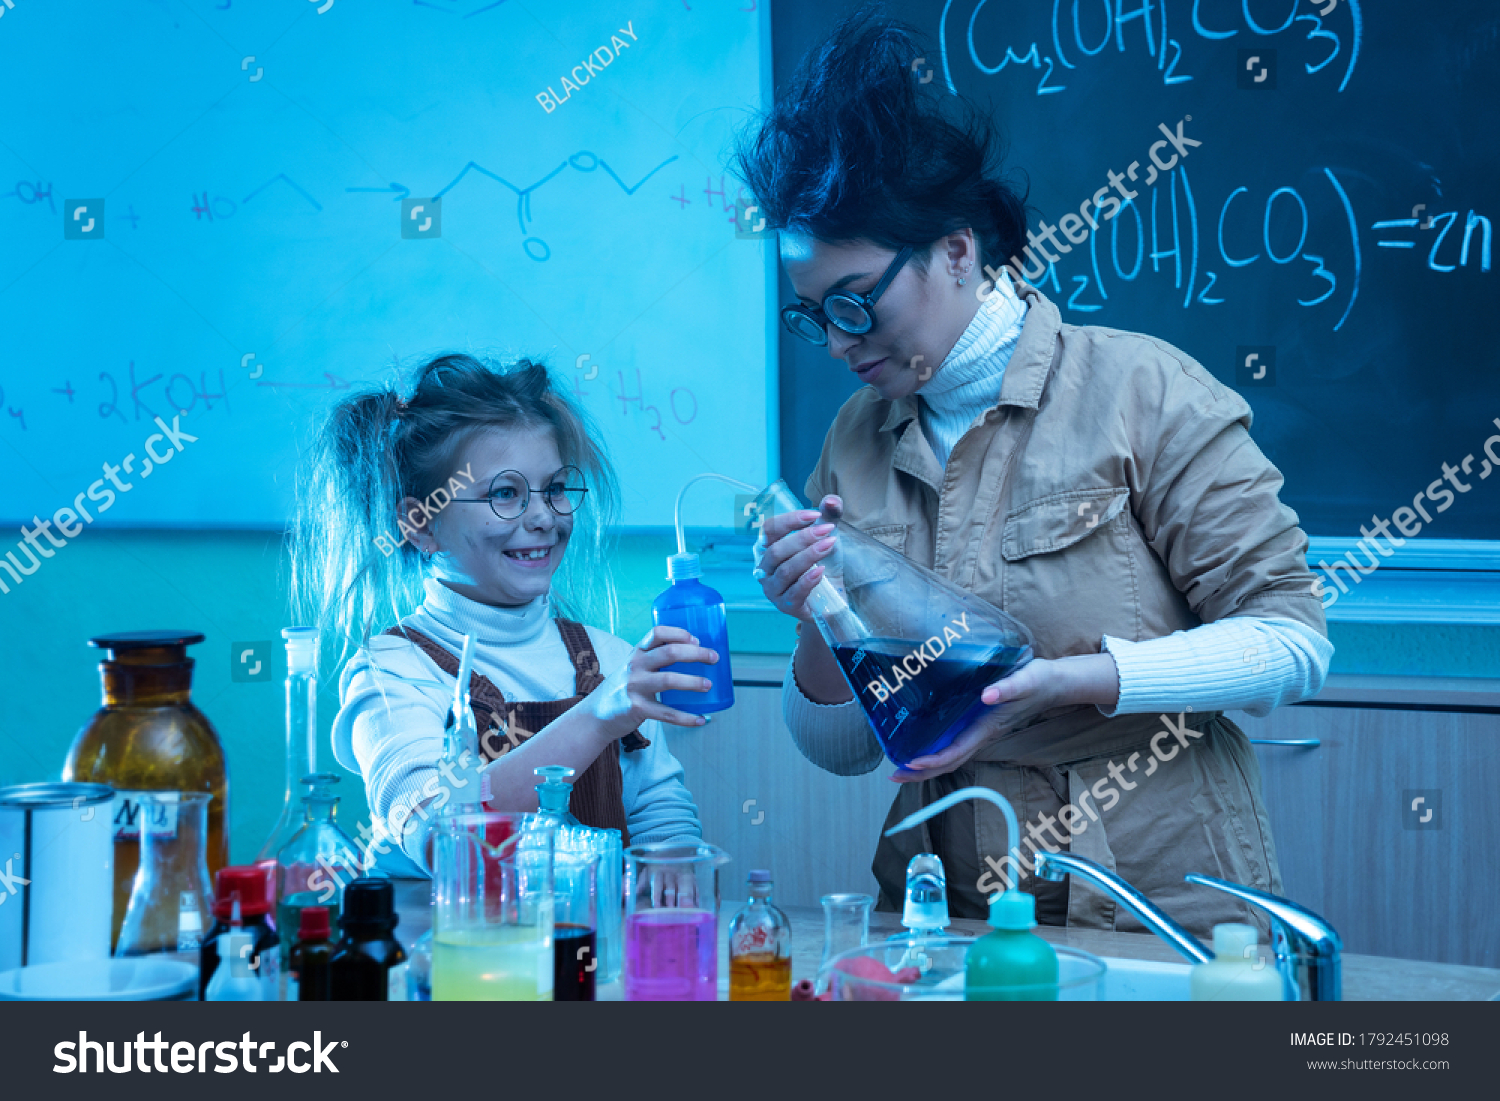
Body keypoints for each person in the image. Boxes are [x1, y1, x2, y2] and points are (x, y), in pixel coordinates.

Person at [734, 11, 1333, 939]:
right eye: (815, 315)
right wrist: (811, 615)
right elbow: (848, 750)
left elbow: (1291, 645)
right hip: (945, 915)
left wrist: (1070, 680)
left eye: (858, 302)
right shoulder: (854, 437)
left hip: (1155, 906)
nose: (840, 341)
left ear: (957, 250)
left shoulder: (1142, 388)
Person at [292, 353, 710, 872]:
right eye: (505, 493)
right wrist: (600, 714)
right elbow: (441, 838)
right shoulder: (391, 673)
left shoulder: (609, 659)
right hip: (455, 950)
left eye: (554, 489)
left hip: (583, 945)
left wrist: (670, 867)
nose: (542, 516)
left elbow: (660, 815)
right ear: (420, 523)